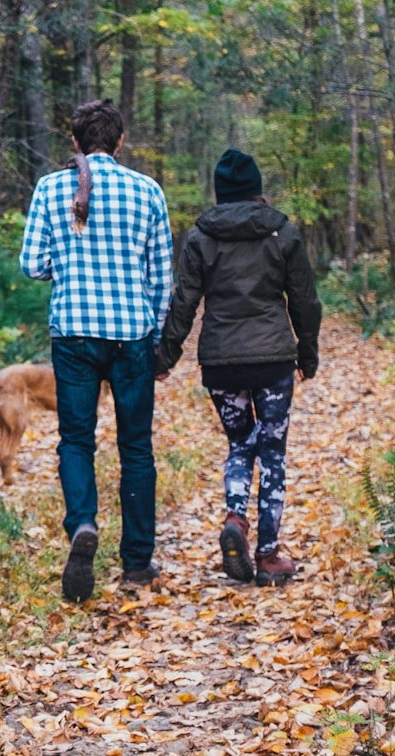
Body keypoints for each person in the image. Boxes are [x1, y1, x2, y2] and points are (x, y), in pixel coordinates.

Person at [19, 99, 173, 603]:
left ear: (75, 142)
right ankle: (136, 563)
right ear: (121, 140)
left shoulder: (49, 188)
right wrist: (156, 341)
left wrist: (68, 265)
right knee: (136, 448)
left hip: (75, 334)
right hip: (131, 334)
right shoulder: (147, 190)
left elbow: (32, 265)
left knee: (76, 440)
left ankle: (83, 524)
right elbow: (162, 279)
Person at [156, 148, 321, 586]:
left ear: (221, 191)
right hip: (272, 361)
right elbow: (304, 299)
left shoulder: (200, 237)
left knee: (239, 445)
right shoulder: (281, 232)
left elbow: (185, 301)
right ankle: (267, 556)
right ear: (256, 189)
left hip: (222, 362)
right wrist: (308, 353)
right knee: (272, 453)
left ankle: (235, 518)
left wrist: (165, 355)